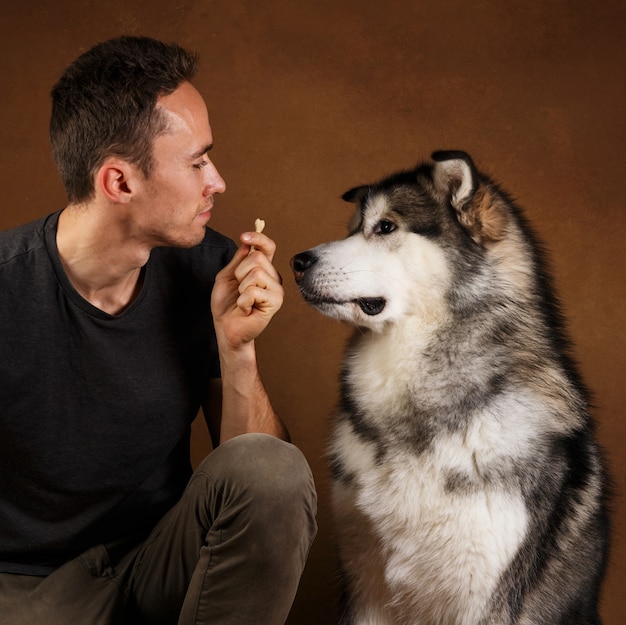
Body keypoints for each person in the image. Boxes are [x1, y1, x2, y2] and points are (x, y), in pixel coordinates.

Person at [0, 36, 317, 625]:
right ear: (119, 183)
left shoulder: (207, 270)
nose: (216, 181)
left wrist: (237, 348)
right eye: (197, 162)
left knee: (274, 470)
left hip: (158, 565)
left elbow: (261, 481)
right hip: (23, 591)